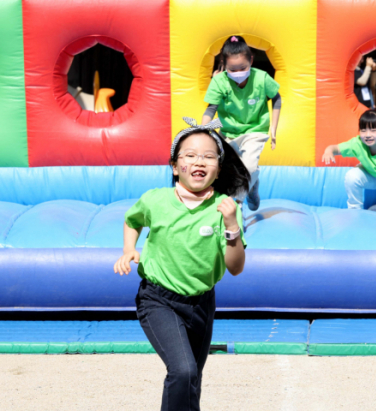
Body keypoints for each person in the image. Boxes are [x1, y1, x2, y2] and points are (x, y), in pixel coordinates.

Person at [113, 117, 250, 411]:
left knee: (191, 378)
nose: (199, 161)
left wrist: (231, 226)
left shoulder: (225, 208)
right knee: (183, 370)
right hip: (158, 299)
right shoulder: (156, 200)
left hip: (201, 303)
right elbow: (131, 220)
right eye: (190, 155)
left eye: (208, 156)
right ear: (175, 166)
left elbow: (236, 267)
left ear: (218, 169)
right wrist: (128, 249)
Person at [202, 35, 282, 211]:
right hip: (228, 132)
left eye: (243, 68)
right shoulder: (219, 81)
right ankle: (252, 187)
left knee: (250, 167)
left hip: (255, 129)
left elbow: (276, 98)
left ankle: (236, 203)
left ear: (251, 60)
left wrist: (273, 128)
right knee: (229, 171)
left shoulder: (261, 78)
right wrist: (203, 130)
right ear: (224, 65)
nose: (238, 73)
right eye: (233, 69)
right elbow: (210, 109)